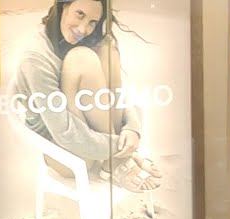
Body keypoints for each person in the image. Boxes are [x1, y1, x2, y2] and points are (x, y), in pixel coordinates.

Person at [14, 0, 162, 193]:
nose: (83, 29)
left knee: (108, 49)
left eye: (92, 22)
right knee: (81, 57)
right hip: (61, 151)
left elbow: (116, 96)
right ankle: (118, 162)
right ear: (63, 6)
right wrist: (120, 147)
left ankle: (115, 162)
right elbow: (64, 132)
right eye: (80, 14)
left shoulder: (79, 39)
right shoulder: (36, 58)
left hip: (93, 139)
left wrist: (132, 129)